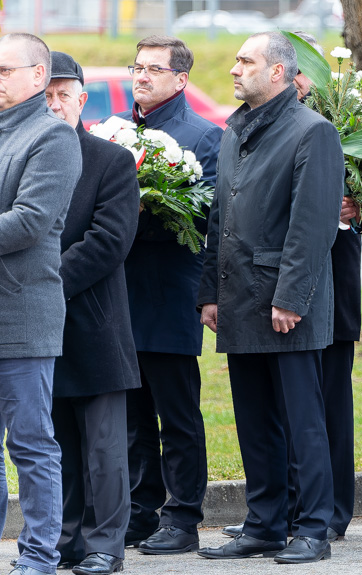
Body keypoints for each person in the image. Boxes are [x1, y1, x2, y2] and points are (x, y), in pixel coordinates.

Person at [196, 31, 343, 564]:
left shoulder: (312, 133)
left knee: (302, 421)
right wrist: (209, 291)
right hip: (239, 301)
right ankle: (263, 524)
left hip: (285, 304)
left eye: (245, 61)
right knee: (254, 419)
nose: (235, 69)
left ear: (278, 72)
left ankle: (313, 529)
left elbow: (312, 225)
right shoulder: (236, 130)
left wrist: (292, 297)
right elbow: (221, 218)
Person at [117, 35, 222, 555]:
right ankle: (140, 510)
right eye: (137, 68)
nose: (141, 76)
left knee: (177, 414)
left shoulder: (203, 136)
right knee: (133, 416)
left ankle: (182, 517)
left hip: (171, 291)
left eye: (154, 69)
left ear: (180, 79)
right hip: (119, 295)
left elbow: (212, 219)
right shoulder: (115, 131)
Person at [46, 52, 141, 575]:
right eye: (47, 95)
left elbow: (109, 242)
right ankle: (63, 540)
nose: (55, 103)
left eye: (65, 94)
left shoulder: (110, 160)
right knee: (53, 443)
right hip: (36, 329)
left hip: (95, 323)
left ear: (83, 100)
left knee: (105, 449)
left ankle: (105, 544)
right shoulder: (16, 155)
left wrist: (44, 284)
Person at [0, 33, 82, 575]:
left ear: (37, 75)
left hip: (22, 314)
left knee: (31, 445)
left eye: (5, 70)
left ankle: (38, 558)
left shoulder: (51, 137)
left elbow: (30, 221)